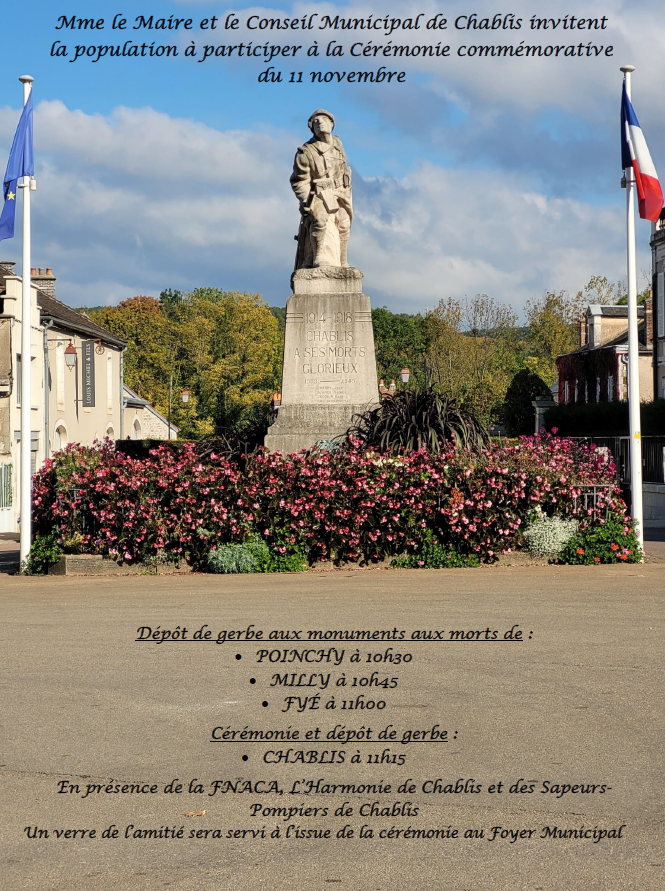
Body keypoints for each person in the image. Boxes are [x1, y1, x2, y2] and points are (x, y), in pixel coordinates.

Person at [291, 109, 353, 269]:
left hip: (341, 191)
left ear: (332, 124)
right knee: (319, 220)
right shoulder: (306, 152)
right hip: (317, 193)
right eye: (316, 122)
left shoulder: (338, 145)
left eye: (324, 120)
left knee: (344, 224)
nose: (320, 123)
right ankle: (318, 258)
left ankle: (343, 261)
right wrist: (306, 201)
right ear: (312, 127)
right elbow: (299, 181)